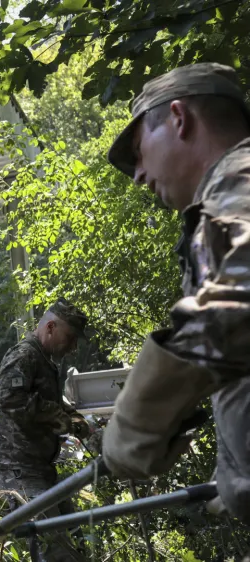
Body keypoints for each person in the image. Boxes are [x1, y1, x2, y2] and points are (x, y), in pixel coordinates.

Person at [101, 63, 250, 524]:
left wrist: (138, 419)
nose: (139, 176)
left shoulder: (239, 180)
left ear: (179, 119)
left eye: (139, 152)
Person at [0, 300, 91, 562]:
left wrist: (73, 416)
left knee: (76, 538)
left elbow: (48, 400)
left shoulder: (44, 359)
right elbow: (6, 397)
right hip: (19, 468)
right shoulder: (25, 355)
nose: (73, 346)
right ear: (50, 327)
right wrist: (59, 417)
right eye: (70, 338)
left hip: (40, 467)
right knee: (53, 546)